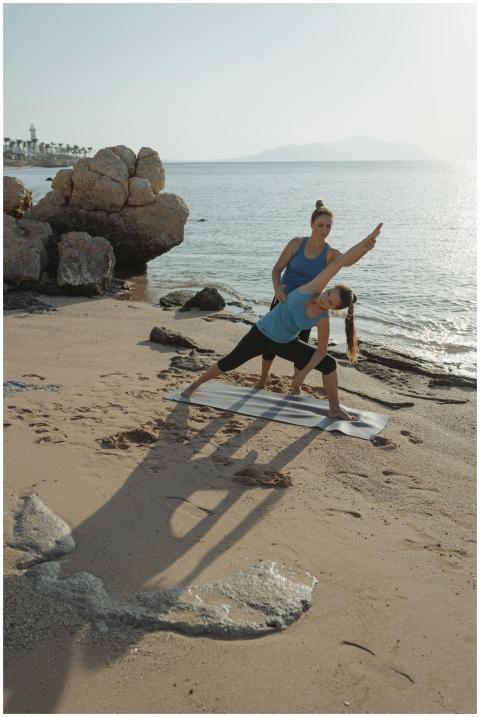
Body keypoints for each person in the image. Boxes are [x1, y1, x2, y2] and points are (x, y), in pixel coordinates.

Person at [181, 223, 383, 420]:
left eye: (330, 301)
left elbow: (321, 352)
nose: (325, 298)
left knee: (329, 364)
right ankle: (194, 385)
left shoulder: (323, 319)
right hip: (260, 335)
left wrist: (302, 374)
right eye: (328, 293)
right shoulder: (312, 288)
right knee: (230, 362)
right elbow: (340, 263)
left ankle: (334, 408)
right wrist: (366, 243)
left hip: (286, 343)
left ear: (334, 309)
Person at [257, 199, 360, 396]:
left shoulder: (330, 254)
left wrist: (366, 245)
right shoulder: (296, 244)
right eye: (320, 225)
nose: (324, 230)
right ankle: (262, 380)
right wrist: (277, 288)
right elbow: (277, 269)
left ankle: (295, 386)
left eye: (329, 226)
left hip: (307, 305)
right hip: (283, 300)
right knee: (268, 341)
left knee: (301, 345)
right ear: (312, 224)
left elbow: (348, 260)